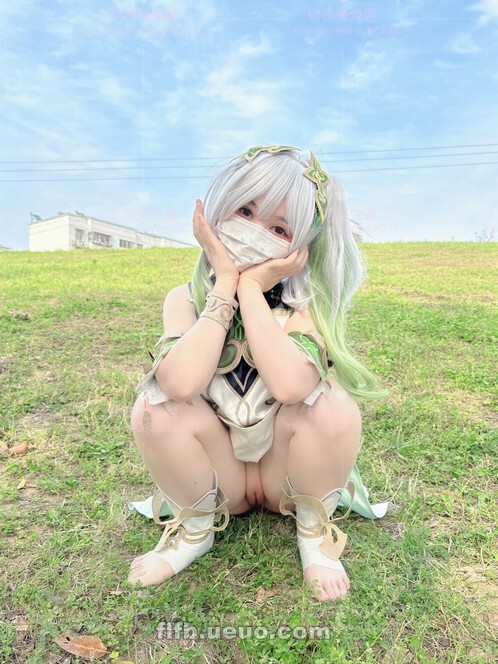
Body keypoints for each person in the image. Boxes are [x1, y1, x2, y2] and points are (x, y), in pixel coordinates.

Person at [127, 145, 390, 603]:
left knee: (332, 405)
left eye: (279, 228)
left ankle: (313, 532)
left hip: (285, 477)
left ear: (300, 247)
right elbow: (179, 385)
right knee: (154, 408)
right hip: (218, 479)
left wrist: (251, 287)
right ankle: (195, 529)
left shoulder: (305, 306)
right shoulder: (185, 299)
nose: (254, 231)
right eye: (245, 211)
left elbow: (291, 386)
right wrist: (225, 286)